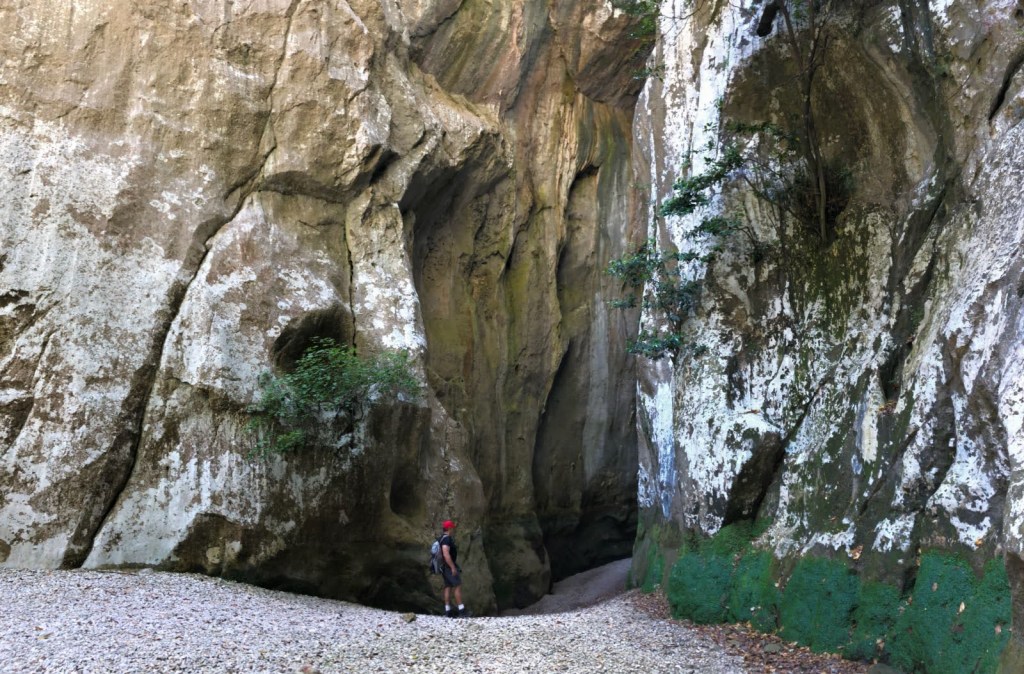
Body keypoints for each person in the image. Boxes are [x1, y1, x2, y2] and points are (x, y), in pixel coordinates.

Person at [439, 519, 468, 618]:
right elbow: (446, 554)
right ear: (449, 528)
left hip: (443, 566)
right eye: (452, 528)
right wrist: (452, 567)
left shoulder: (441, 538)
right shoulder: (447, 539)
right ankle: (462, 610)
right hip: (448, 566)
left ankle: (448, 611)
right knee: (458, 585)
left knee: (448, 587)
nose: (453, 530)